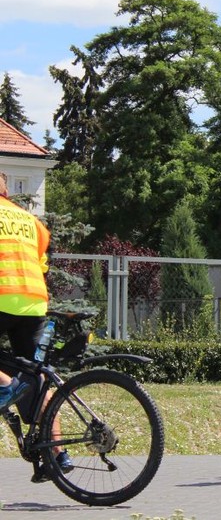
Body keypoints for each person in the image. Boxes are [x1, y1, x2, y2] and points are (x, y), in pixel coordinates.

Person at [0, 173, 73, 474]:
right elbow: (42, 265)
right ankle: (57, 455)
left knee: (18, 382)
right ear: (6, 189)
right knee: (38, 379)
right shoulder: (30, 221)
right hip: (33, 302)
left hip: (2, 296)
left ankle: (8, 386)